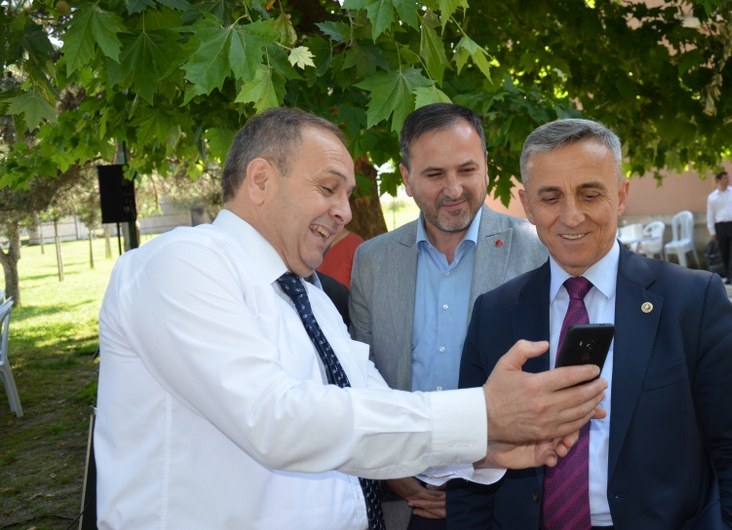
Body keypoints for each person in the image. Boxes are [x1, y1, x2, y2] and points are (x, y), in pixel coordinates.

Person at [93, 107, 609, 529]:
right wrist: (483, 415)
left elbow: (376, 412)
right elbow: (276, 421)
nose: (344, 211)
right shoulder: (181, 263)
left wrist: (489, 449)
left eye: (345, 194)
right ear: (261, 180)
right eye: (328, 188)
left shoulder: (311, 297)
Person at [448, 118, 732, 529]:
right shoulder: (493, 314)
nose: (572, 216)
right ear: (527, 204)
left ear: (621, 196)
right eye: (551, 197)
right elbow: (468, 463)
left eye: (590, 194)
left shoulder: (693, 303)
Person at [350, 102, 548, 529]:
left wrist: (470, 486)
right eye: (435, 174)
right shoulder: (372, 261)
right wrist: (392, 470)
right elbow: (359, 377)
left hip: (502, 499)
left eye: (467, 169)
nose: (454, 189)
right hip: (404, 498)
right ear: (406, 179)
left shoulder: (538, 251)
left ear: (486, 167)